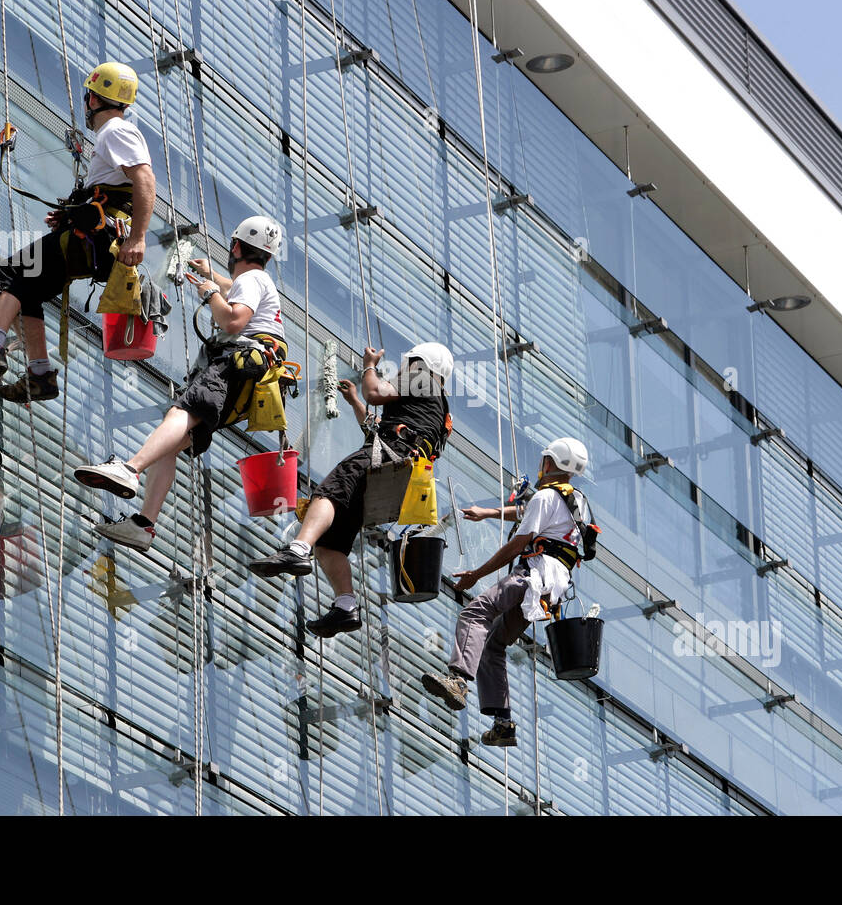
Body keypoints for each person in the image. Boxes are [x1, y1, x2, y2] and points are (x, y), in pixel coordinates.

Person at [0, 61, 156, 402]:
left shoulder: (116, 131)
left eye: (88, 96)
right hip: (89, 238)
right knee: (27, 291)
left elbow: (144, 180)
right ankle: (39, 375)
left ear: (94, 100)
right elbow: (113, 190)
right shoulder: (113, 135)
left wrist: (138, 237)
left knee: (10, 271)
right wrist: (72, 214)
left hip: (95, 239)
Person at [71, 216, 287, 552]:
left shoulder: (252, 280)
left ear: (236, 247)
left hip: (233, 366)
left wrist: (211, 293)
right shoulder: (258, 282)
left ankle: (129, 469)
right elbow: (237, 293)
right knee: (168, 443)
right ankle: (144, 525)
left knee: (181, 411)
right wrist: (211, 277)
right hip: (248, 379)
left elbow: (233, 320)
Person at [249, 343, 454, 638]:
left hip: (390, 454)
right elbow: (379, 428)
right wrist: (356, 401)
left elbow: (376, 393)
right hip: (402, 470)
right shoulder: (438, 406)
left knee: (329, 492)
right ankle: (345, 606)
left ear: (421, 362)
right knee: (330, 543)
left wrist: (369, 366)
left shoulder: (422, 375)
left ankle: (297, 549)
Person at [421, 438, 597, 747]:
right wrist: (488, 513)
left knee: (476, 612)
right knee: (494, 644)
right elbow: (529, 513)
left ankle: (458, 679)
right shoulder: (576, 500)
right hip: (549, 592)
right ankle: (503, 723)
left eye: (545, 461)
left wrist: (477, 575)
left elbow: (519, 541)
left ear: (551, 464)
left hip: (531, 576)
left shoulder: (545, 497)